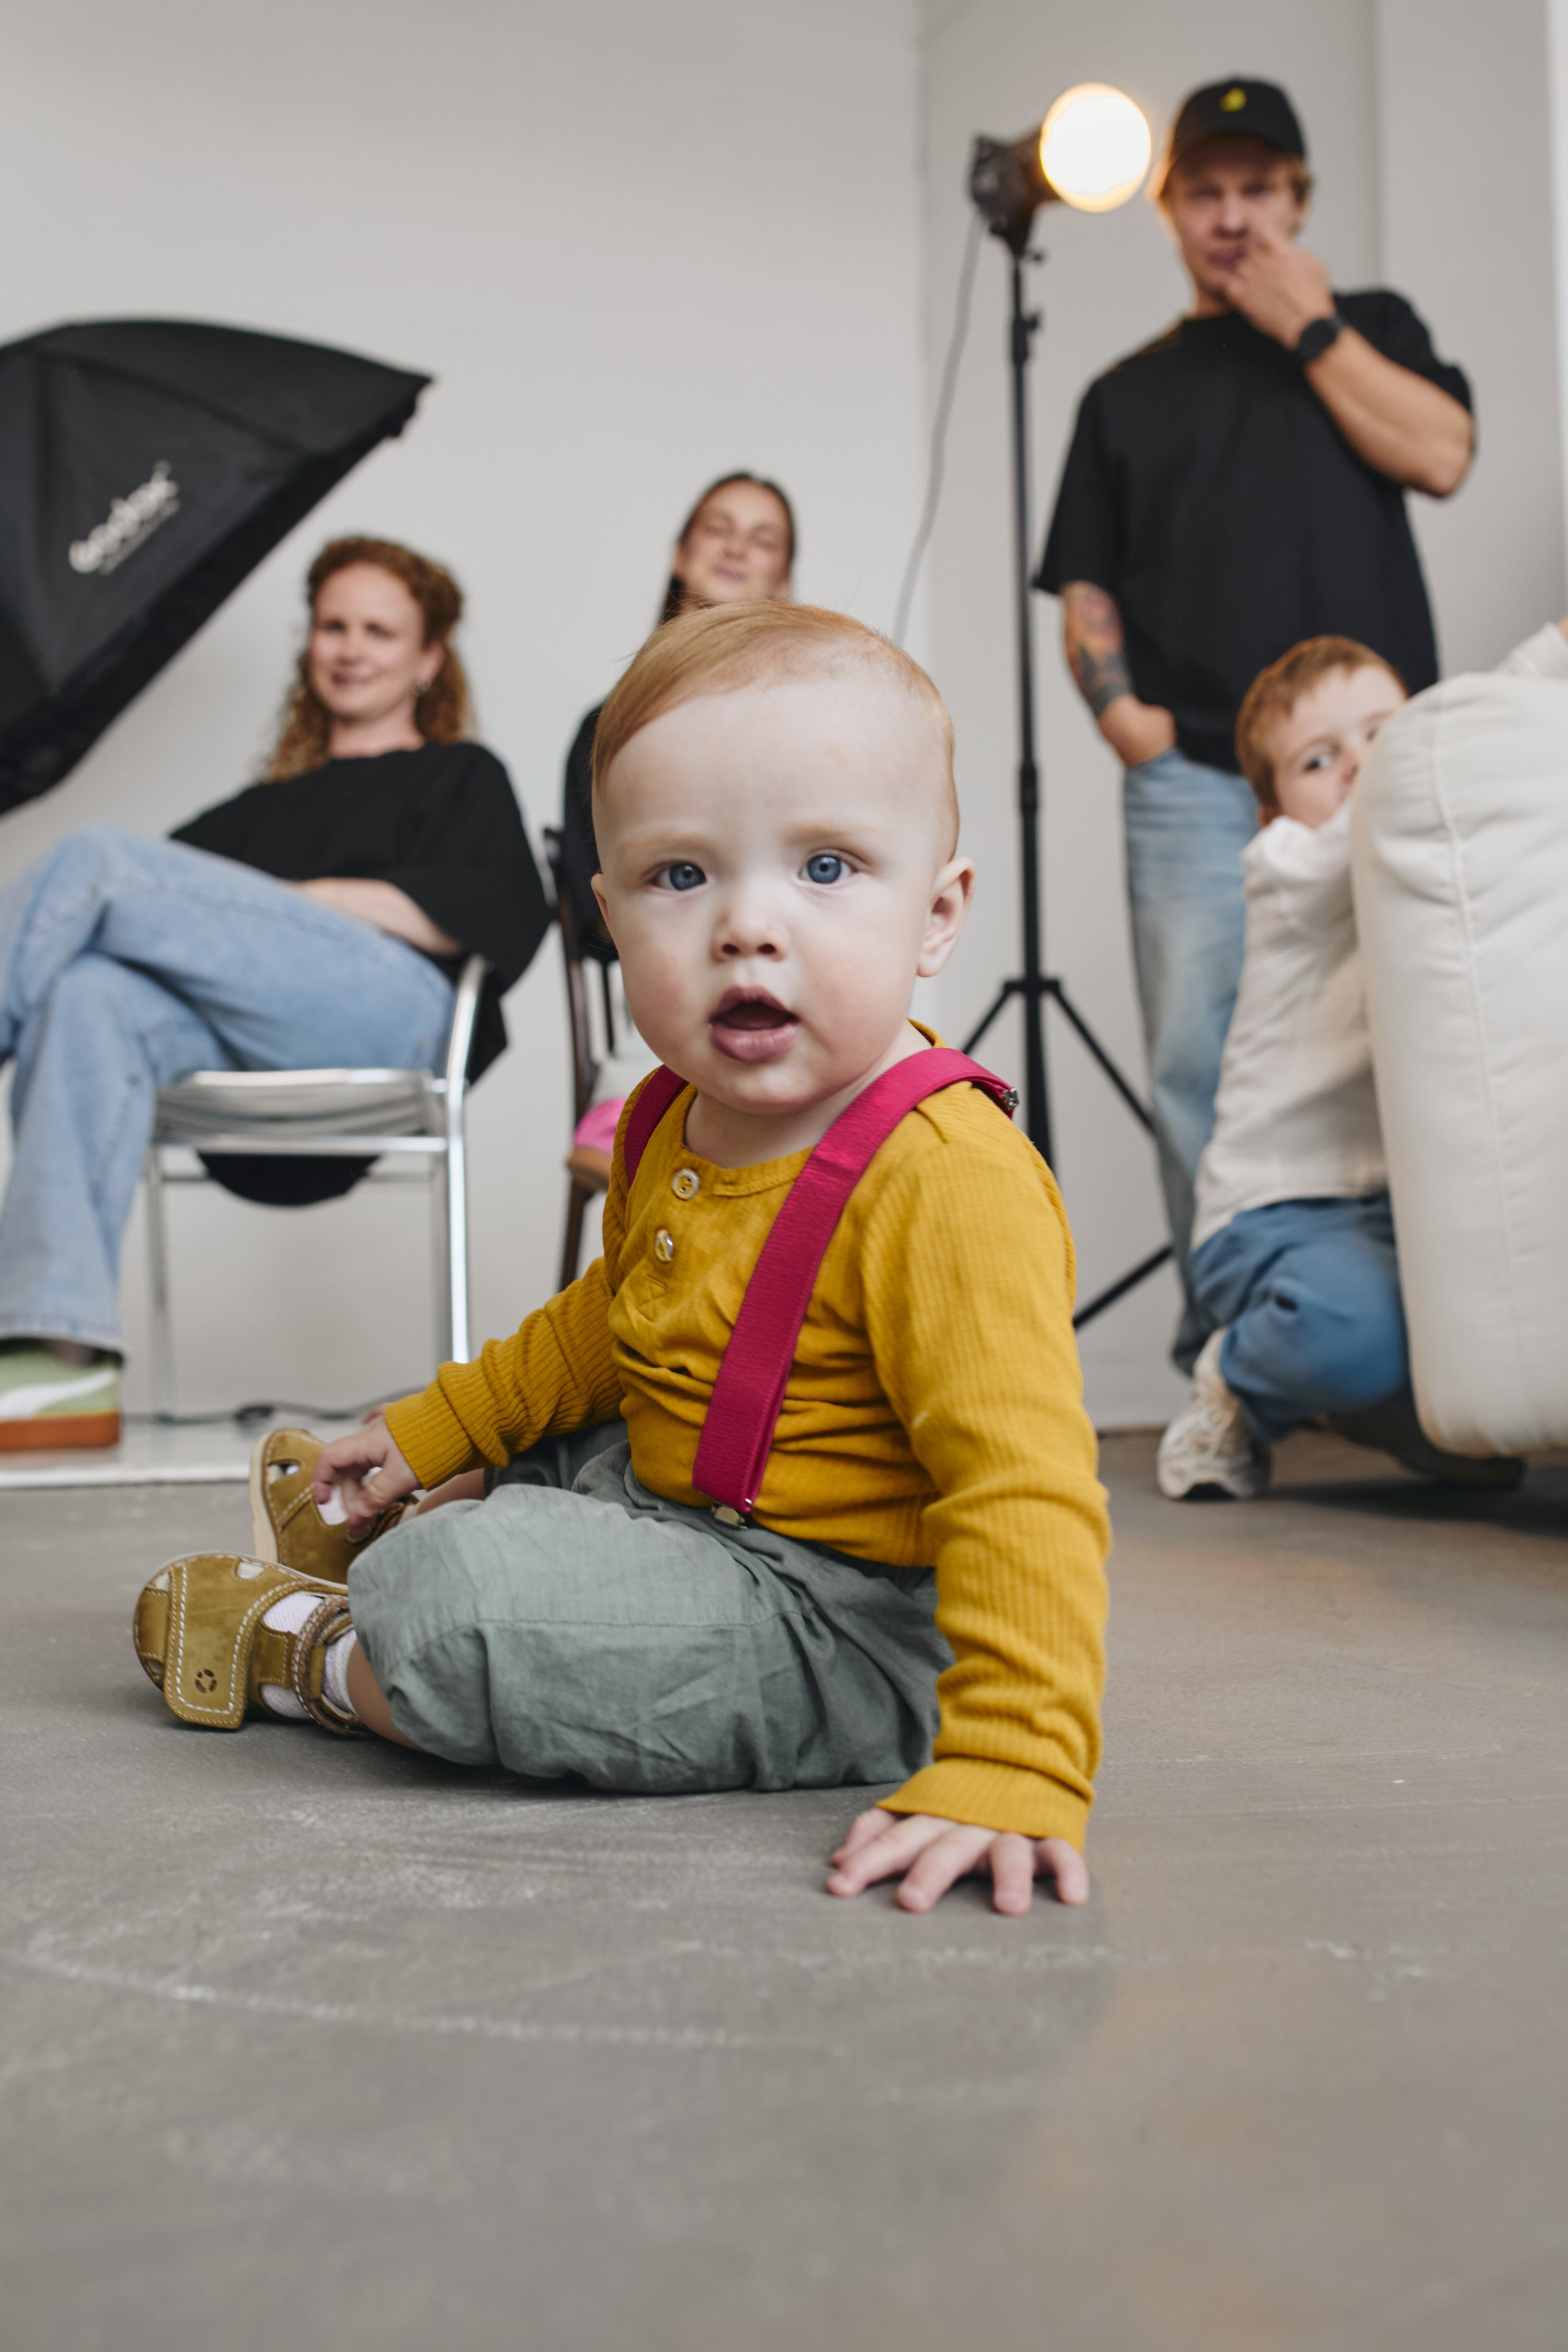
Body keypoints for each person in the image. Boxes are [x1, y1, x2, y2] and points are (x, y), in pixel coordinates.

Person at [132, 600, 1112, 1920]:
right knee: (563, 1431)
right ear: (607, 917)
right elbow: (614, 1322)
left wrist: (1011, 1760)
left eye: (824, 869)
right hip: (681, 1496)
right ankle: (398, 1505)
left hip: (844, 1621)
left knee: (461, 1604)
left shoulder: (944, 1177)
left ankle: (320, 1645)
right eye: (680, 876)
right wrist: (435, 1427)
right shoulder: (667, 1111)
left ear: (935, 916)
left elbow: (1023, 1489)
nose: (745, 928)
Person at [1035, 77, 1473, 1371]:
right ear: (1168, 209)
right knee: (1194, 1058)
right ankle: (1235, 1350)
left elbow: (1441, 454)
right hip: (1190, 782)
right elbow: (1085, 584)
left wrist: (1308, 326)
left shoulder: (1367, 326)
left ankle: (1428, 1341)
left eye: (1256, 191)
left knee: (1417, 1028)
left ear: (1295, 201)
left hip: (1377, 763)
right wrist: (1126, 725)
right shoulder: (1123, 393)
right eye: (1204, 192)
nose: (1230, 217)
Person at [0, 538, 548, 1450]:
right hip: (246, 1045)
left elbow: (491, 909)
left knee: (96, 862)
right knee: (93, 991)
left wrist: (309, 903)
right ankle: (60, 1354)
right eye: (333, 625)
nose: (350, 647)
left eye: (380, 630)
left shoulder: (459, 774)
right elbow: (166, 908)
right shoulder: (253, 814)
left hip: (390, 1016)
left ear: (427, 659)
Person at [1153, 622, 1568, 1501]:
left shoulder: (1442, 863)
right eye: (1318, 761)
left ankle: (1388, 1405)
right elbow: (1403, 794)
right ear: (1272, 812)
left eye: (1385, 736)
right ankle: (1236, 1374)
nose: (1359, 767)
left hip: (1409, 1210)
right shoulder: (1288, 867)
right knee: (1354, 1332)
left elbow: (1472, 738)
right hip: (1277, 1217)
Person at [557, 473, 796, 1177]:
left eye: (762, 538)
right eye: (717, 528)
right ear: (681, 552)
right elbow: (597, 892)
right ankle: (647, 1086)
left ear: (782, 578)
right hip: (665, 990)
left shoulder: (807, 722)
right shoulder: (610, 726)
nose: (735, 547)